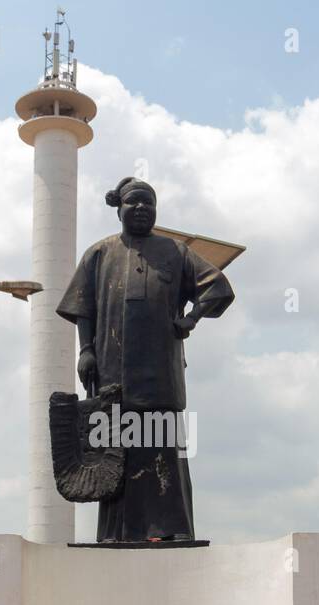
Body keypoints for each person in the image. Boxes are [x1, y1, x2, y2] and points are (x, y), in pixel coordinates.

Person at [56, 177, 234, 542]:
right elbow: (83, 306)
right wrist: (86, 350)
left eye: (148, 203)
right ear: (118, 209)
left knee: (163, 448)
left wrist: (191, 318)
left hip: (161, 374)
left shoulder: (175, 252)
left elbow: (218, 287)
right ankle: (117, 534)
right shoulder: (99, 253)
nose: (141, 209)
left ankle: (170, 530)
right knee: (115, 455)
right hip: (111, 373)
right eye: (133, 203)